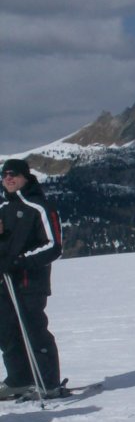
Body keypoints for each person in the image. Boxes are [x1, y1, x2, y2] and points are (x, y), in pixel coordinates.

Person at [0, 158, 63, 400]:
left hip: (29, 282)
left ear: (26, 176)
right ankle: (19, 379)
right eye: (4, 175)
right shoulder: (3, 209)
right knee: (6, 333)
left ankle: (48, 383)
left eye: (13, 174)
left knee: (34, 330)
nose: (8, 178)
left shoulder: (40, 207)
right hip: (5, 283)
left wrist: (18, 261)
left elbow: (53, 246)